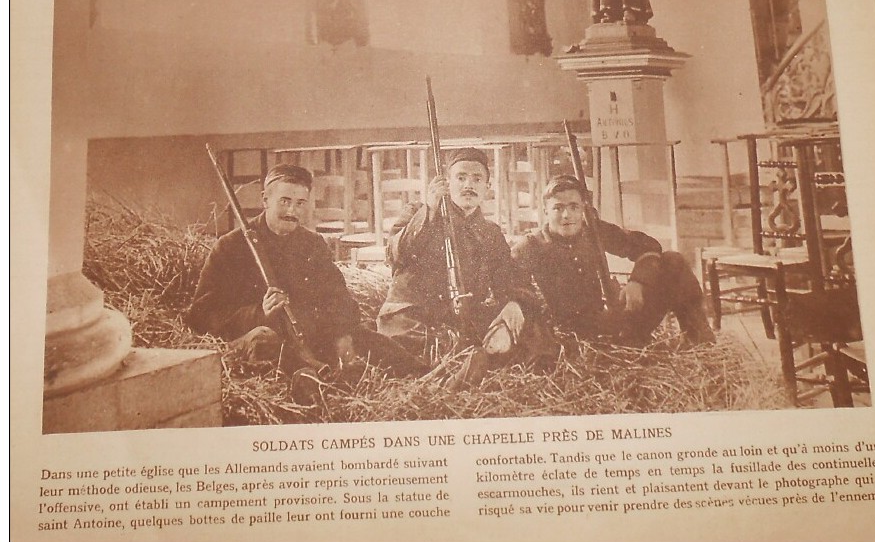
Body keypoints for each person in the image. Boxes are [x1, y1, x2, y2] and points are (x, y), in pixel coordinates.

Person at [186, 164, 425, 398]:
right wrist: (260, 313)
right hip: (259, 342)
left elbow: (342, 301)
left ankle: (426, 379)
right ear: (265, 199)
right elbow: (200, 316)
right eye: (285, 201)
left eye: (300, 203)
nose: (292, 211)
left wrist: (342, 334)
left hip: (309, 336)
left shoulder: (312, 244)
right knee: (263, 340)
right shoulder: (230, 247)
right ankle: (309, 380)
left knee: (368, 340)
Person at [376, 148, 554, 387]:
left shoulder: (490, 233)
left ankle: (468, 365)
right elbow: (394, 255)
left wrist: (514, 304)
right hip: (411, 315)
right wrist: (428, 211)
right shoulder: (417, 212)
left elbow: (510, 280)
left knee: (530, 327)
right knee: (413, 346)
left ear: (487, 187)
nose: (468, 185)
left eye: (477, 179)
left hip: (460, 318)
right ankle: (456, 372)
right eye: (460, 178)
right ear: (446, 183)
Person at [511, 174, 715, 347]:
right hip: (571, 340)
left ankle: (701, 345)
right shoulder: (531, 246)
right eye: (558, 208)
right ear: (545, 211)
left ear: (583, 208)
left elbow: (648, 246)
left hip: (614, 323)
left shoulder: (594, 232)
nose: (567, 215)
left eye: (574, 207)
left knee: (673, 262)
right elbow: (514, 288)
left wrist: (638, 282)